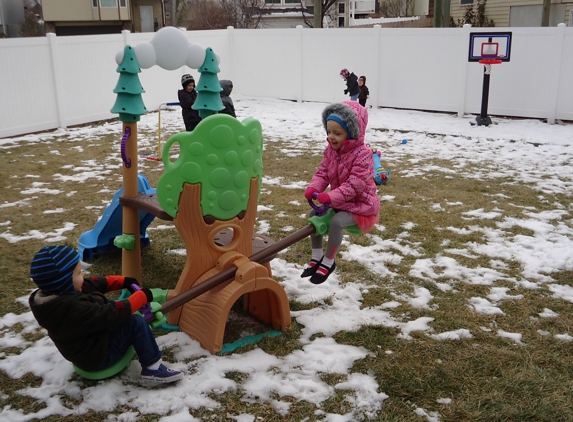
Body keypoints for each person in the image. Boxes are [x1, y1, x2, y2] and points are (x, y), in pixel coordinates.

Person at [28, 245, 183, 384]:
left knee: (104, 303)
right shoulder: (74, 309)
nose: (83, 274)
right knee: (134, 322)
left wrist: (124, 281)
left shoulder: (59, 297)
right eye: (78, 272)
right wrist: (142, 296)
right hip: (98, 357)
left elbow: (94, 283)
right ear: (64, 282)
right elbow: (112, 313)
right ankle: (153, 368)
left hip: (89, 346)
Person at [301, 101, 380, 284]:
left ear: (351, 133)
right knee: (314, 214)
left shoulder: (363, 155)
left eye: (337, 133)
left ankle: (328, 262)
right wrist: (314, 188)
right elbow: (323, 172)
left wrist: (330, 196)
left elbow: (354, 185)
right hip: (340, 201)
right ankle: (317, 256)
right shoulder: (331, 151)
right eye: (329, 132)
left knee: (337, 222)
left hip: (361, 204)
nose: (331, 137)